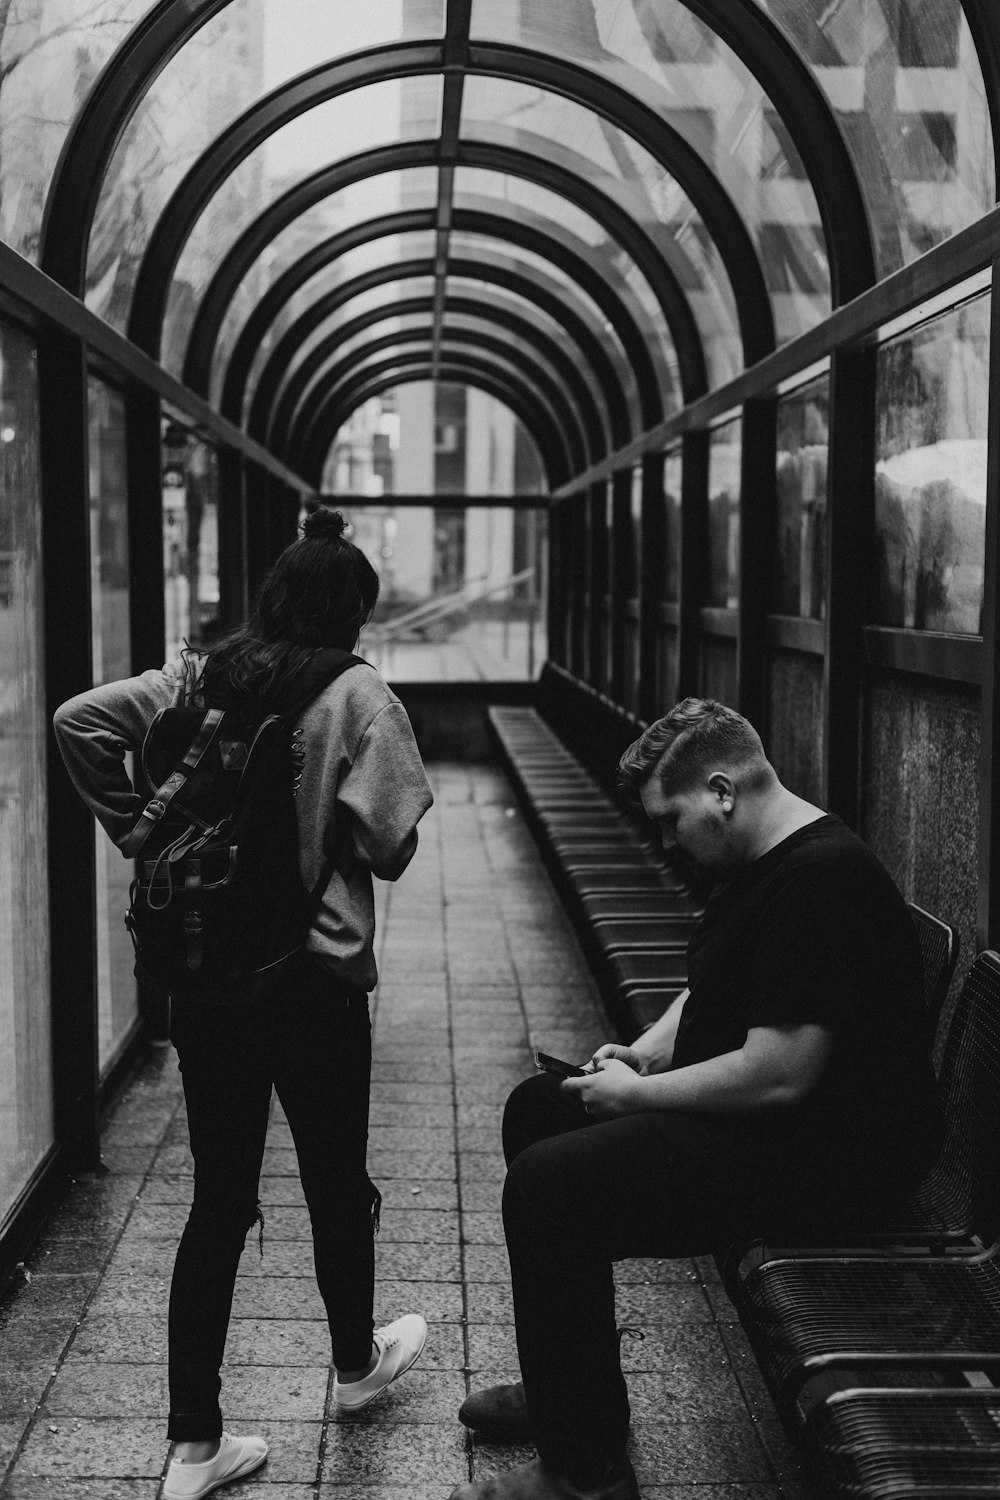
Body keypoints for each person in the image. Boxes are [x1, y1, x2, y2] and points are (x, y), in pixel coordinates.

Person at [451, 698, 942, 1500]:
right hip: (786, 1126)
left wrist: (639, 1102)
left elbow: (783, 1070)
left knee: (551, 1187)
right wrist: (645, 1055)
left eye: (670, 819)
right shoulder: (767, 859)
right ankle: (569, 1391)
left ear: (721, 790)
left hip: (831, 1159)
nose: (664, 839)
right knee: (538, 1108)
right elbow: (714, 985)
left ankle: (585, 1474)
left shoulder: (820, 882)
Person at [54, 507, 433, 1500]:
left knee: (219, 1203)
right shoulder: (358, 693)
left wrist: (137, 828)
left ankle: (192, 1448)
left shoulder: (197, 674)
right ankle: (354, 1368)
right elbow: (392, 841)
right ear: (351, 610)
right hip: (313, 978)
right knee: (334, 1183)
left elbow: (77, 721)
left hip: (208, 978)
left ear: (269, 597)